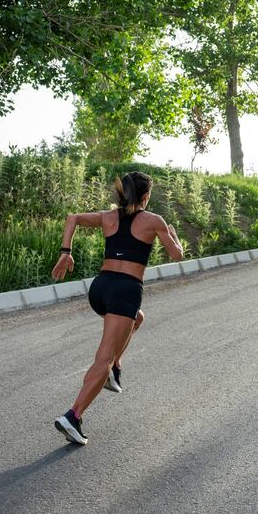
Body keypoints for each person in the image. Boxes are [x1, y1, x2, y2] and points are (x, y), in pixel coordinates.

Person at [51, 171, 184, 445]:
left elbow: (72, 218)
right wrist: (173, 235)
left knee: (137, 319)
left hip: (101, 288)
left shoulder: (108, 216)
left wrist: (66, 251)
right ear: (146, 196)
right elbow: (177, 255)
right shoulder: (154, 221)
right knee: (103, 358)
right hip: (126, 291)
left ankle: (115, 367)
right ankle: (74, 415)